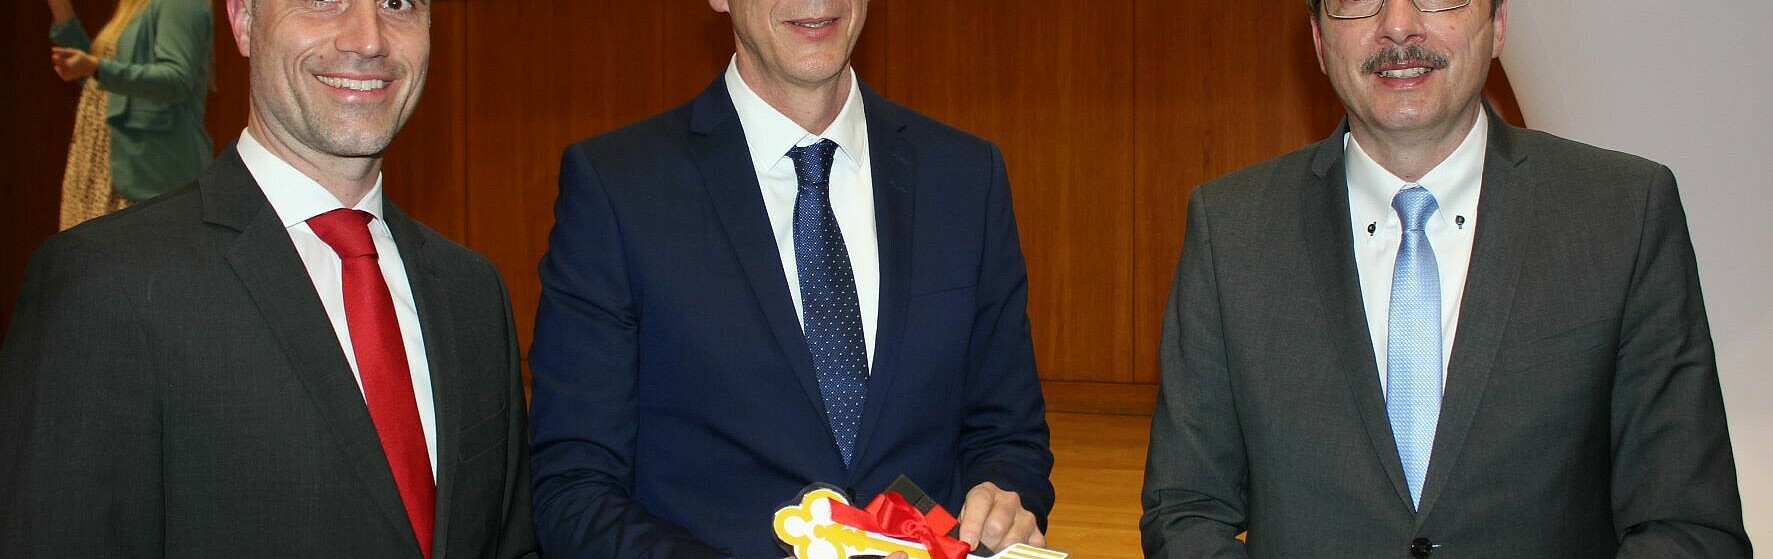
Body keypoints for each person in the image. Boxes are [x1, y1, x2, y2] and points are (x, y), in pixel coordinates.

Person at [1140, 0, 1751, 557]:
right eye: (1358, 0)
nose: (1399, 24)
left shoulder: (1623, 214)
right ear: (1320, 40)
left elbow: (1688, 523)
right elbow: (1186, 511)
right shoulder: (1232, 229)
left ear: (1498, 25)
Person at [0, 0, 538, 556]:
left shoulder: (473, 291)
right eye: (324, 0)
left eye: (398, 3)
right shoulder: (106, 283)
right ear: (243, 21)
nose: (368, 38)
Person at [527, 0, 1056, 557]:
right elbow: (573, 487)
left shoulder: (967, 176)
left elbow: (1008, 435)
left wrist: (1001, 497)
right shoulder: (619, 189)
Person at [47, 0, 213, 230]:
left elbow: (176, 80)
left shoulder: (181, 3)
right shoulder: (132, 6)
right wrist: (61, 9)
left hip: (145, 173)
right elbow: (98, 80)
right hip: (100, 164)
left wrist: (96, 67)